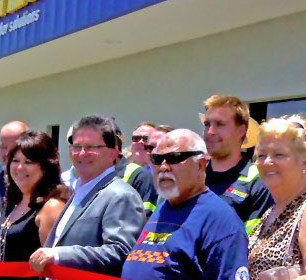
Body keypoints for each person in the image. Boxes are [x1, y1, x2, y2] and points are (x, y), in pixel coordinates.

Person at [121, 129, 249, 280]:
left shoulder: (220, 222)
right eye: (157, 159)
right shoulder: (163, 209)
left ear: (201, 165)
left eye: (174, 158)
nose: (163, 167)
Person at [29, 115, 145, 277]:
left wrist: (59, 255)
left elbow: (121, 251)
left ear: (114, 152)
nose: (82, 153)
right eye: (76, 146)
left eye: (91, 147)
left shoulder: (121, 195)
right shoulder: (77, 191)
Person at [0, 131, 70, 280]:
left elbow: (54, 268)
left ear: (45, 166)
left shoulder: (51, 207)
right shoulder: (13, 202)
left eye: (28, 162)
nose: (20, 168)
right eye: (15, 160)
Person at [248, 115, 306, 279]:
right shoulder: (270, 213)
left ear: (304, 161)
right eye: (262, 155)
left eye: (279, 155)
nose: (267, 162)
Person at [202, 94, 273, 234]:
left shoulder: (258, 180)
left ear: (241, 131)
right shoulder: (194, 175)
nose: (210, 132)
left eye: (220, 124)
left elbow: (251, 241)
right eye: (207, 124)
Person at [113, 121, 157, 217]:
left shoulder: (165, 171)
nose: (140, 142)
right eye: (136, 138)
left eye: (146, 139)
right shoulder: (118, 169)